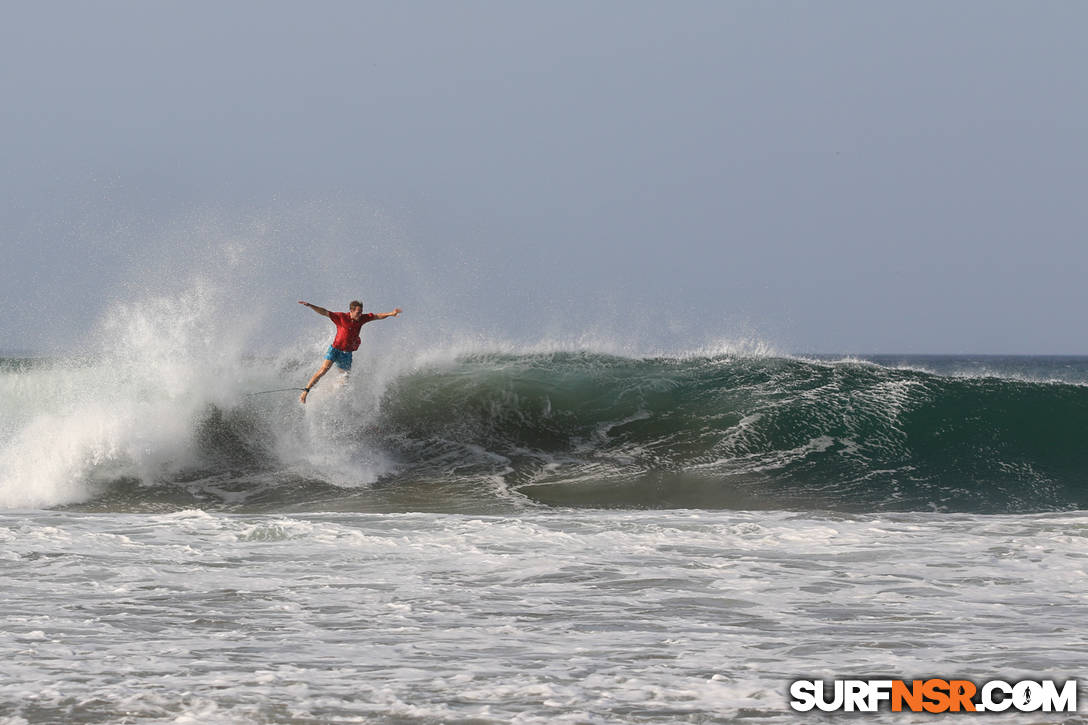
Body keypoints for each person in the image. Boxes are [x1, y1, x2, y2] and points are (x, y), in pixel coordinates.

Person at [297, 299, 402, 403]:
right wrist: (311, 305)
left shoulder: (361, 319)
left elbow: (377, 316)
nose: (360, 314)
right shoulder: (341, 317)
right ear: (351, 311)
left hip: (347, 354)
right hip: (335, 349)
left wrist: (391, 314)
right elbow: (324, 312)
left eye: (361, 312)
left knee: (344, 381)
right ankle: (306, 391)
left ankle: (325, 394)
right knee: (323, 370)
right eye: (358, 312)